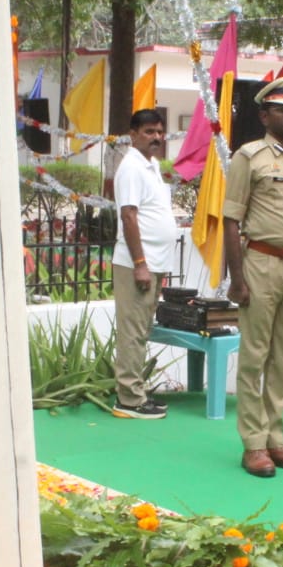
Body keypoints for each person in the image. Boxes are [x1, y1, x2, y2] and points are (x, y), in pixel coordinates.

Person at [223, 76, 283, 477]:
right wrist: (237, 278)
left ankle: (276, 440)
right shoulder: (249, 157)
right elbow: (231, 220)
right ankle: (253, 444)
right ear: (265, 115)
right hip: (260, 263)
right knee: (254, 358)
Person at [110, 109, 177, 419]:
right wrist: (140, 263)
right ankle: (129, 400)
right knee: (133, 331)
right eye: (149, 131)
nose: (157, 137)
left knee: (141, 329)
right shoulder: (131, 168)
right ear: (133, 134)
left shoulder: (149, 166)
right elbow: (128, 215)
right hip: (137, 263)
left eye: (160, 132)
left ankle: (134, 393)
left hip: (153, 262)